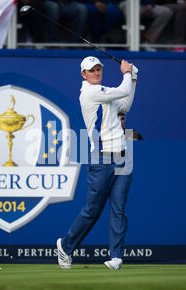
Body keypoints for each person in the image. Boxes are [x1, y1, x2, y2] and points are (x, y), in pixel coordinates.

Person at [56, 56, 138, 270]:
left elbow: (125, 104)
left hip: (121, 158)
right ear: (83, 74)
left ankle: (116, 257)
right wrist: (127, 73)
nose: (96, 72)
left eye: (98, 69)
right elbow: (122, 90)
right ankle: (65, 246)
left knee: (119, 209)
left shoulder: (106, 93)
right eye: (91, 70)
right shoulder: (90, 93)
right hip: (100, 159)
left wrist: (134, 79)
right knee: (92, 210)